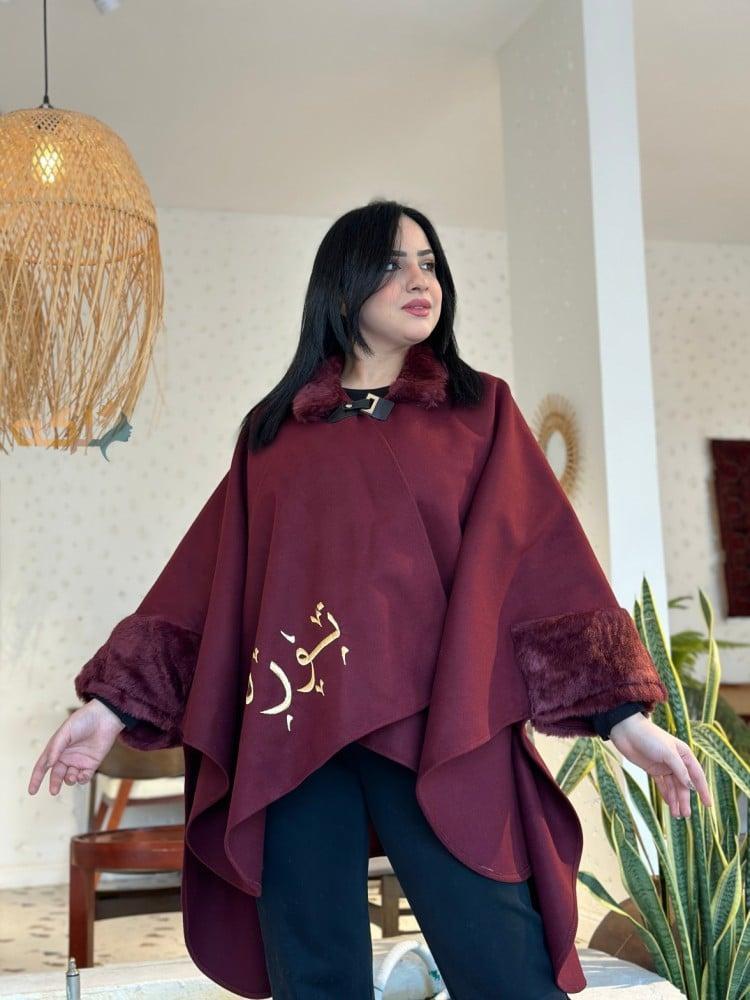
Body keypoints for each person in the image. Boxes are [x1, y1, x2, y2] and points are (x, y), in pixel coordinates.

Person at [29, 201, 713, 1000]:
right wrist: (111, 706)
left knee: (504, 970)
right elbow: (207, 580)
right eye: (393, 264)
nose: (421, 280)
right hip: (295, 736)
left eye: (429, 263)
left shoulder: (479, 412)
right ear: (343, 284)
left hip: (441, 730)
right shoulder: (276, 435)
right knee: (314, 979)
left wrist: (623, 719)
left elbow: (545, 565)